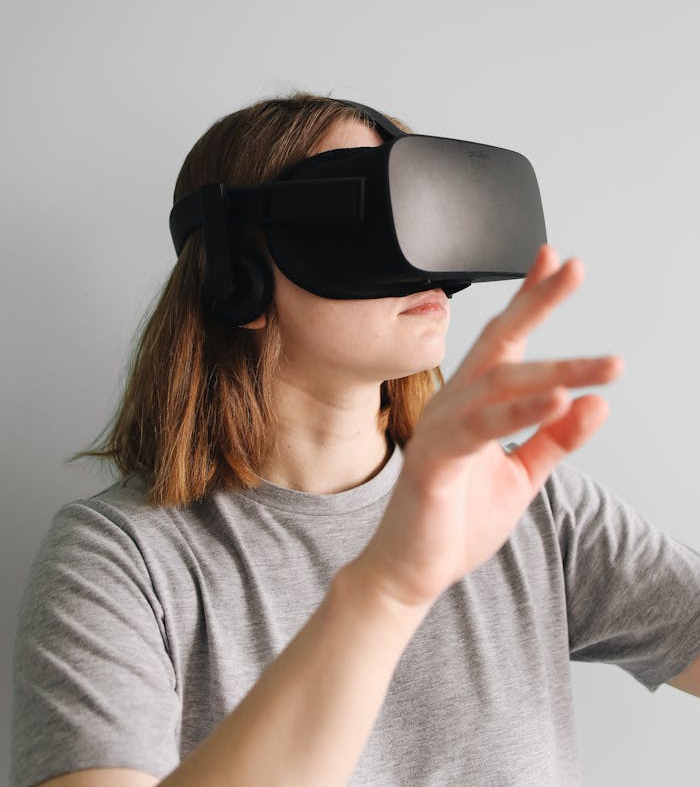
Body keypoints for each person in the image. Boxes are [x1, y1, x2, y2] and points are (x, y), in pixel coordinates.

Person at [9, 91, 700, 787]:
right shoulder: (121, 560)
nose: (424, 260)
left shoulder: (522, 506)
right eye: (371, 216)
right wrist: (388, 587)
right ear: (234, 278)